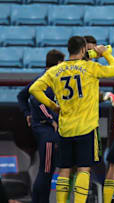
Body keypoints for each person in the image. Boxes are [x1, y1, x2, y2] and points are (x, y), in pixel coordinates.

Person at [29, 36, 114, 203]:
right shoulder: (89, 67)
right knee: (83, 169)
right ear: (83, 50)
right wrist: (105, 54)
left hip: (65, 128)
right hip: (85, 127)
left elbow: (34, 89)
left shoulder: (55, 70)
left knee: (64, 169)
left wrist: (52, 105)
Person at [17, 49, 65, 203]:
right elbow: (36, 100)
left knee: (47, 170)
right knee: (46, 170)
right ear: (58, 63)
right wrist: (51, 119)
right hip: (46, 129)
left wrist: (27, 114)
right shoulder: (45, 79)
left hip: (45, 127)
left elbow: (22, 95)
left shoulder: (46, 78)